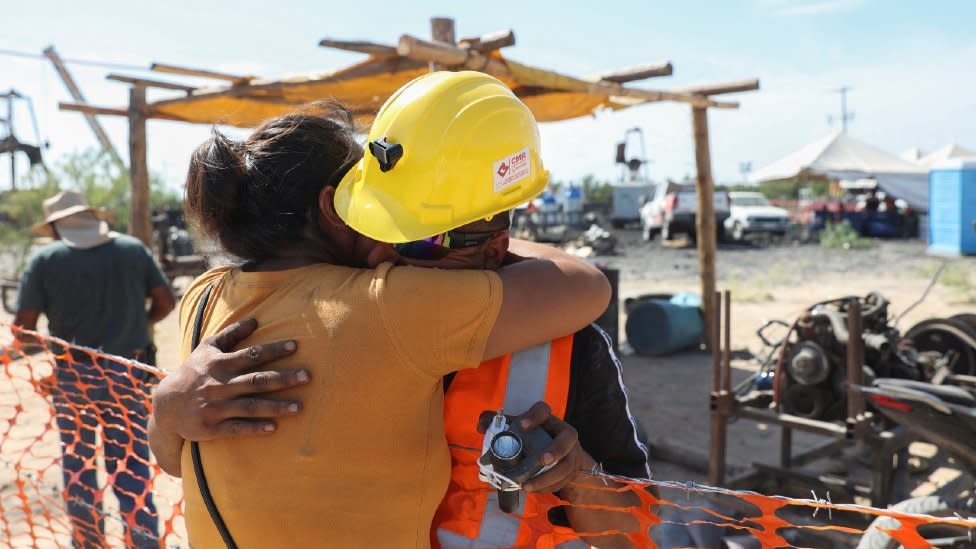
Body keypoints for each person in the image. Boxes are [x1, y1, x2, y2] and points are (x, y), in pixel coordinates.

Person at [148, 71, 610, 548]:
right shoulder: (386, 306)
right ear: (333, 209)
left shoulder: (204, 296)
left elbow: (172, 456)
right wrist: (463, 234)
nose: (385, 245)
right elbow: (586, 285)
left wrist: (163, 411)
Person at [12, 189, 176, 548]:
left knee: (80, 466)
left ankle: (88, 542)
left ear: (56, 227)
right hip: (129, 374)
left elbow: (23, 330)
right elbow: (165, 302)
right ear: (91, 217)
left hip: (73, 379)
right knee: (131, 462)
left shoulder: (46, 261)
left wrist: (52, 348)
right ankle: (143, 541)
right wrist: (138, 325)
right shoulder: (132, 250)